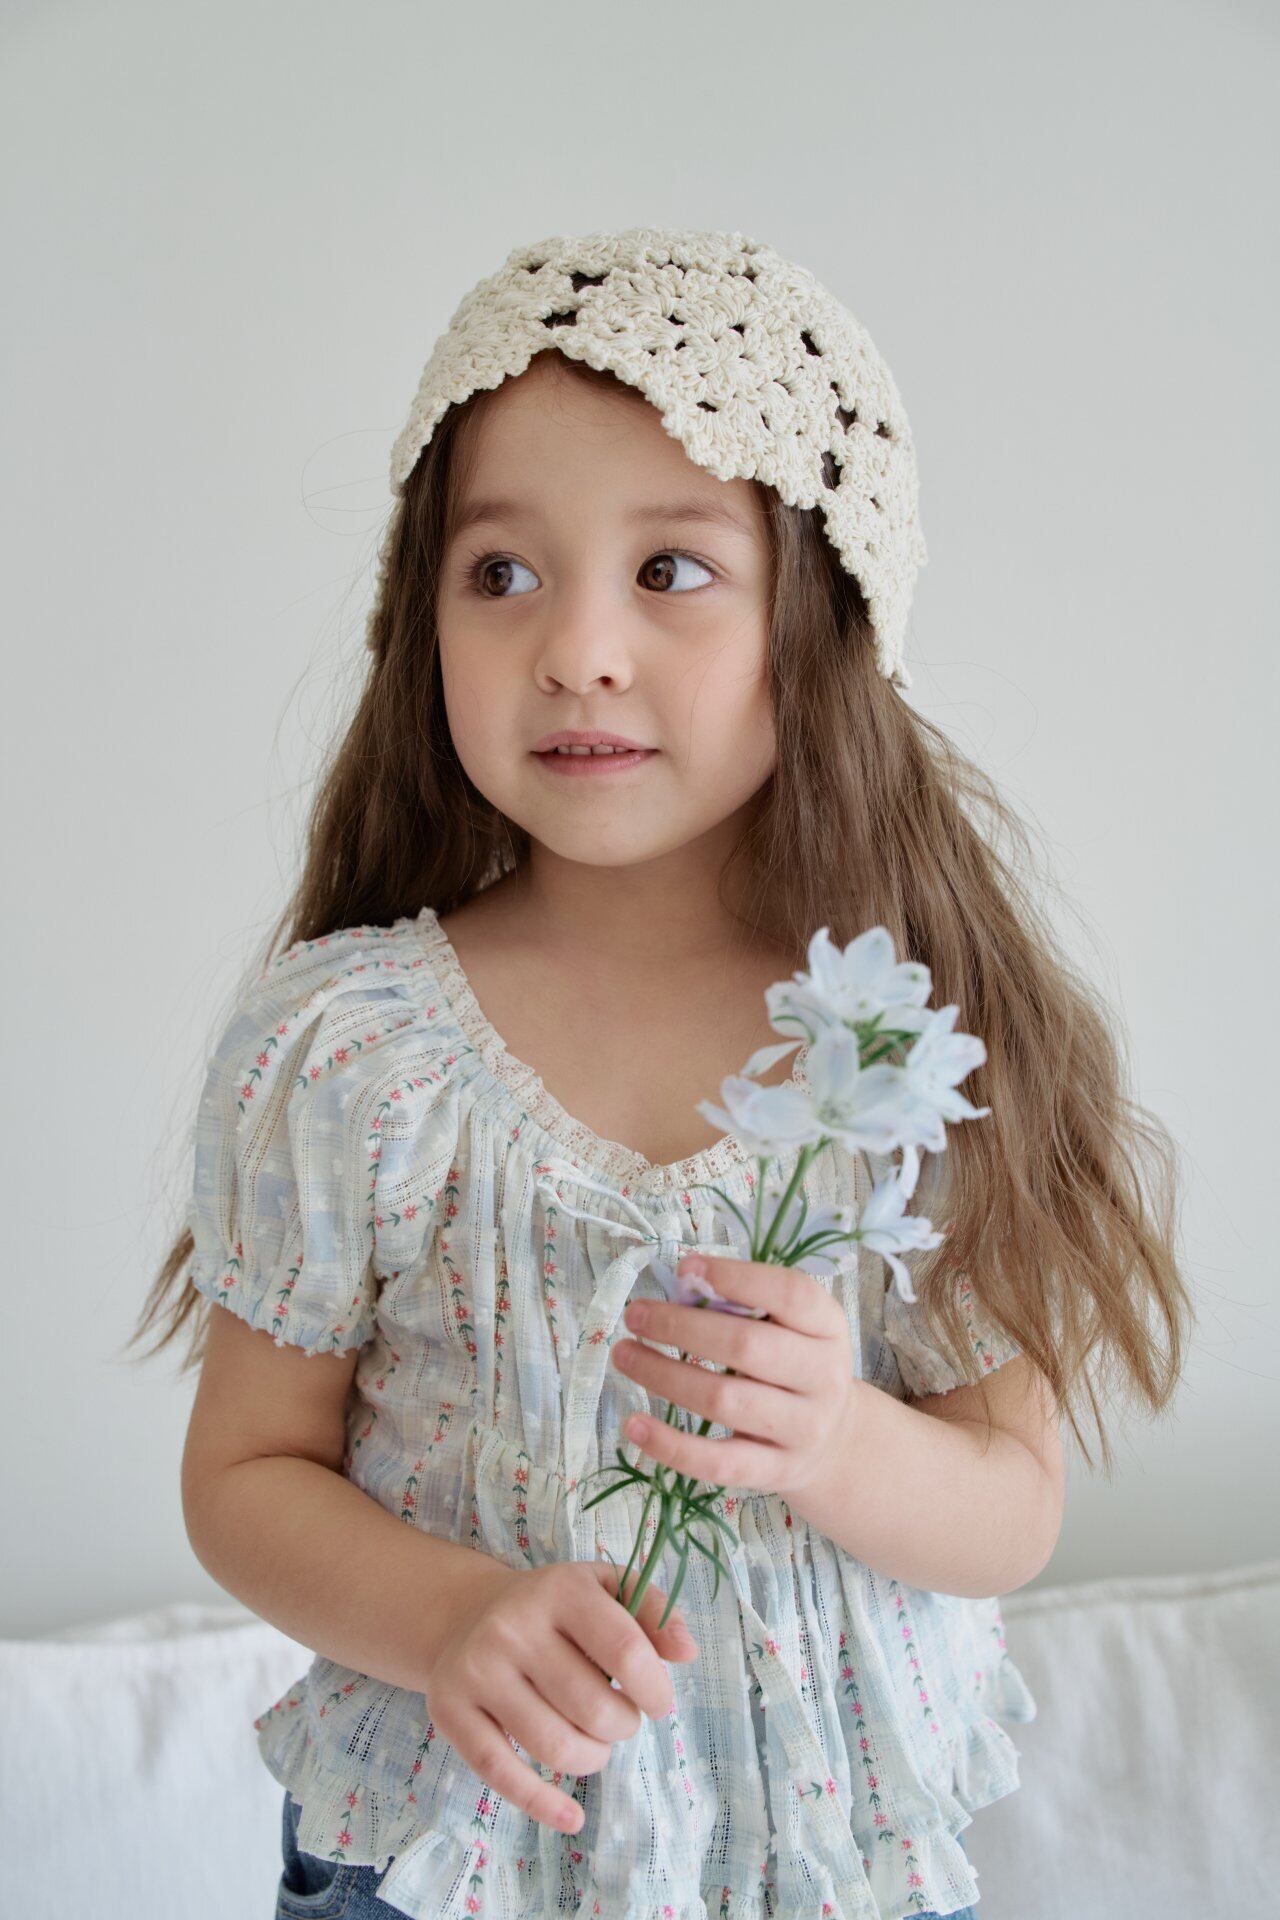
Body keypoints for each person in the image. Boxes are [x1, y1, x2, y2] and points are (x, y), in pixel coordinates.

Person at [133, 227, 1193, 1920]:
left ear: (822, 616)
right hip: (437, 1863)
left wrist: (833, 1440)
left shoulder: (906, 1047)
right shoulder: (347, 1051)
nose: (578, 648)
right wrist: (450, 1619)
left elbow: (1012, 1506)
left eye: (673, 569)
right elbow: (246, 1476)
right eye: (501, 572)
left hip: (823, 1875)